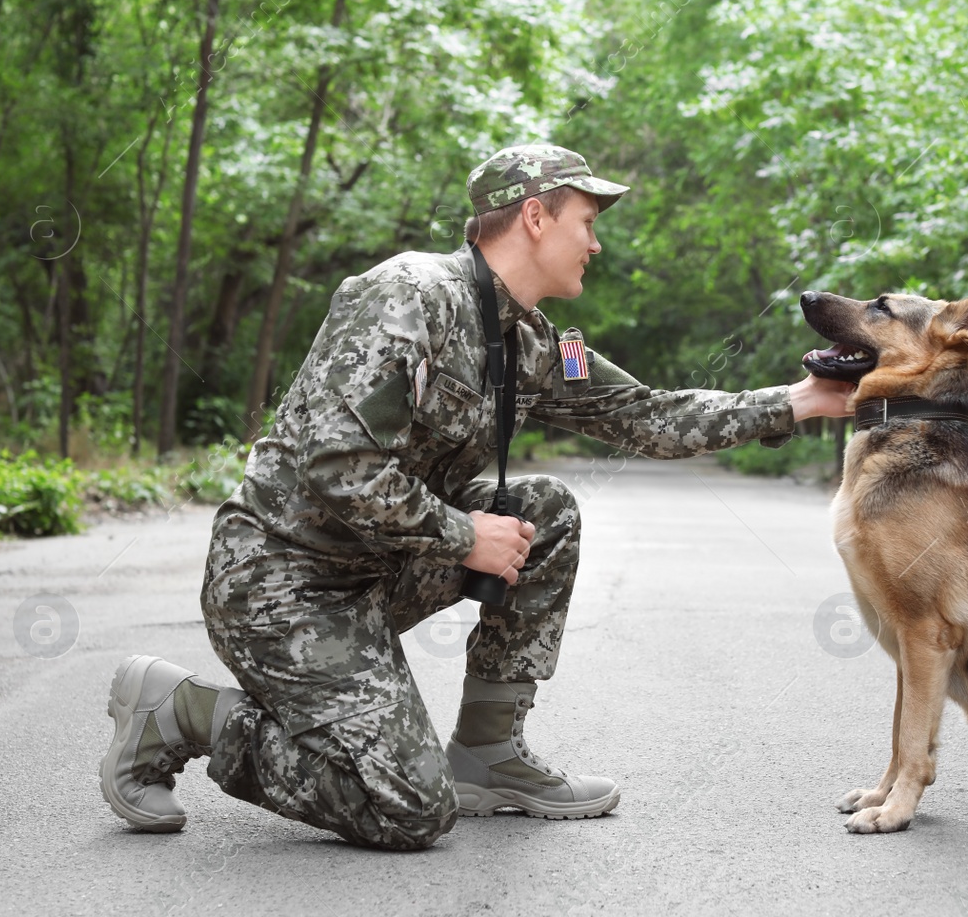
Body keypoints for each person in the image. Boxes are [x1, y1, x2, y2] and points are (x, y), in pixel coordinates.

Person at [99, 143, 853, 850]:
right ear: (535, 216)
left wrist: (799, 401)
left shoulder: (532, 341)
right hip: (282, 583)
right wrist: (464, 536)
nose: (597, 244)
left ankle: (489, 751)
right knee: (412, 808)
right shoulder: (407, 295)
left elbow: (646, 413)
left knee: (544, 510)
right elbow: (339, 465)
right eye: (586, 223)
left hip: (375, 575)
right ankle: (184, 710)